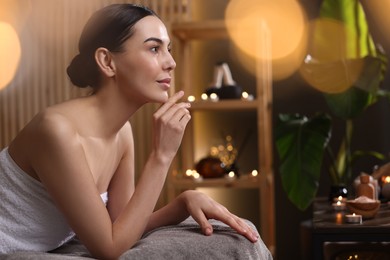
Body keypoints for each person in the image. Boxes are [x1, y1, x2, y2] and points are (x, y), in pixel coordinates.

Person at [0, 4, 259, 259]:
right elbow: (110, 248)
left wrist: (182, 203)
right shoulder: (56, 131)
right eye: (154, 48)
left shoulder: (122, 132)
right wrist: (161, 156)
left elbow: (122, 227)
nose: (171, 62)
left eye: (168, 49)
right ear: (107, 61)